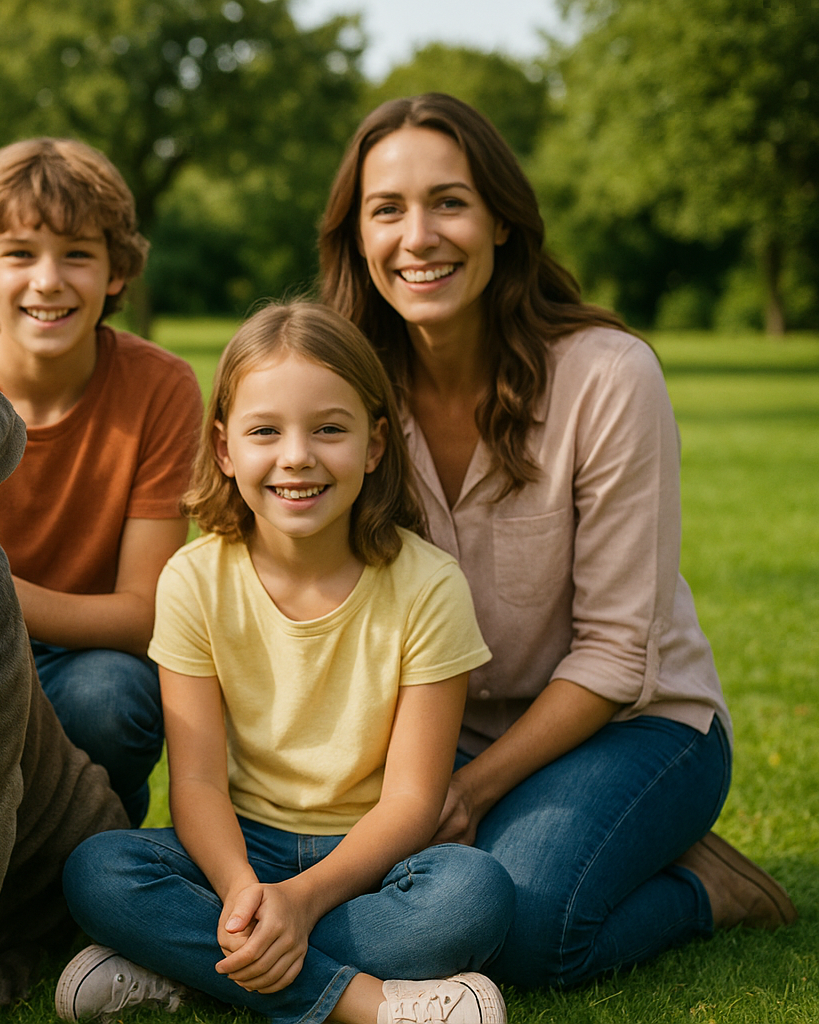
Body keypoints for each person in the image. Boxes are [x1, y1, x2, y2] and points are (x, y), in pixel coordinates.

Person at [315, 92, 796, 989]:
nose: (418, 236)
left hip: (636, 724)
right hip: (436, 727)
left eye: (449, 202)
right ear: (356, 239)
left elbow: (619, 654)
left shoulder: (609, 377)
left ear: (501, 221)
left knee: (530, 929)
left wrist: (471, 792)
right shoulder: (345, 389)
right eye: (387, 209)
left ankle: (706, 887)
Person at [58, 303, 515, 1024]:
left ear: (374, 445)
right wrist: (243, 889)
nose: (296, 456)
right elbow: (199, 781)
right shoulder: (193, 580)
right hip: (240, 846)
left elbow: (411, 803)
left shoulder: (429, 587)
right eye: (265, 431)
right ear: (224, 450)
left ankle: (189, 964)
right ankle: (365, 1005)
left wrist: (299, 905)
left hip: (371, 862)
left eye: (329, 429)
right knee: (98, 871)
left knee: (474, 893)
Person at [0, 138, 203, 826]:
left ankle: (87, 838)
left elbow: (146, 611)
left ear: (117, 273)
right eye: (20, 254)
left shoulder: (161, 386)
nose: (48, 280)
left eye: (78, 255)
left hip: (85, 658)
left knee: (110, 702)